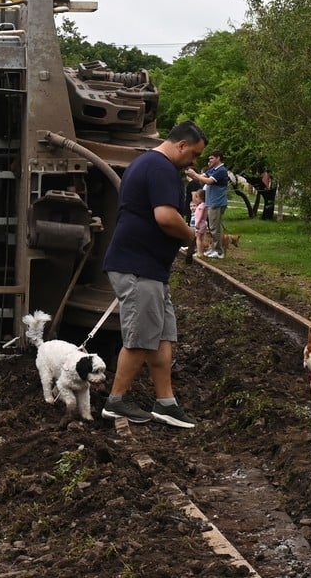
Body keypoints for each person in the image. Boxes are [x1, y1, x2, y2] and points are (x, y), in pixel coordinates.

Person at [99, 121, 206, 429]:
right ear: (182, 145)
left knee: (161, 337)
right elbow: (165, 216)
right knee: (141, 337)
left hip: (150, 269)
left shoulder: (146, 162)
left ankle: (166, 402)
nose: (194, 162)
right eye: (195, 154)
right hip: (137, 266)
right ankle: (116, 400)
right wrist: (190, 236)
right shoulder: (160, 168)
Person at [186, 150, 229, 258]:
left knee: (215, 228)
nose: (209, 160)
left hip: (217, 202)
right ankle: (213, 248)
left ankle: (218, 252)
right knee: (213, 227)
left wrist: (194, 174)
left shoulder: (221, 170)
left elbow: (208, 181)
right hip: (211, 202)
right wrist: (191, 173)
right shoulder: (213, 170)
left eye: (211, 158)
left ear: (218, 158)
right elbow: (201, 177)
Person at [190, 189, 209, 257]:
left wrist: (197, 223)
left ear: (201, 197)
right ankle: (202, 252)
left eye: (197, 197)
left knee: (198, 238)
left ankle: (199, 252)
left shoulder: (201, 206)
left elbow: (200, 215)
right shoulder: (204, 205)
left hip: (200, 224)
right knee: (202, 238)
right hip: (203, 223)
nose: (196, 199)